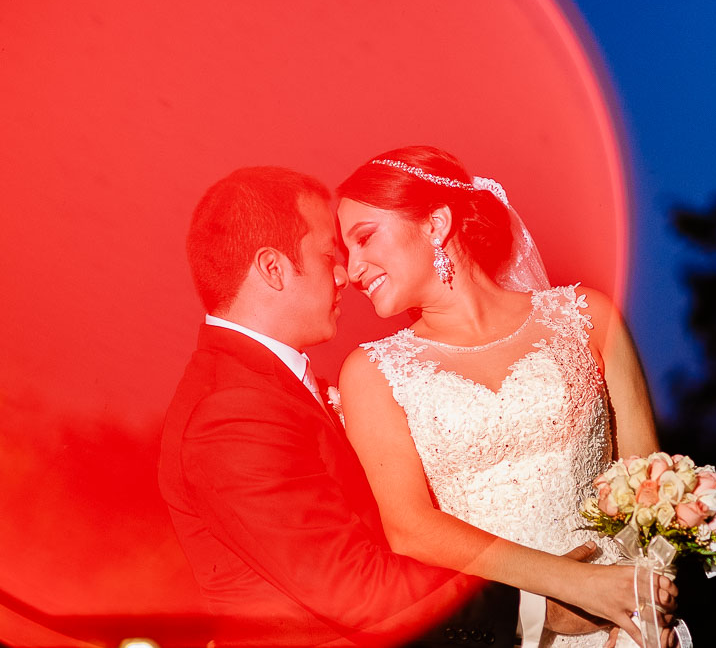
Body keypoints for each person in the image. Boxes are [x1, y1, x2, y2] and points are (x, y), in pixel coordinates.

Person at [158, 166, 604, 647]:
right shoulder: (230, 412)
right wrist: (535, 603)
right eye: (329, 253)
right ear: (272, 268)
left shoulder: (261, 389)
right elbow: (351, 588)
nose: (344, 274)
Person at [335, 147, 673, 647]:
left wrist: (647, 603)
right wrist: (564, 590)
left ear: (436, 223)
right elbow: (409, 527)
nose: (351, 268)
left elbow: (653, 482)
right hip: (504, 634)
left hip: (627, 623)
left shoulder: (589, 319)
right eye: (345, 251)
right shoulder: (372, 373)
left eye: (364, 239)